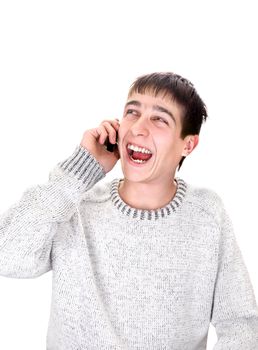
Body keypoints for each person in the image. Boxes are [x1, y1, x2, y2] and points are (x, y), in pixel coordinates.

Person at [0, 72, 258, 350]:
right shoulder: (75, 205)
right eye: (132, 112)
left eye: (159, 118)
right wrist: (79, 172)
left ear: (188, 144)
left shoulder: (208, 214)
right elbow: (7, 256)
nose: (138, 128)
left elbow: (240, 324)